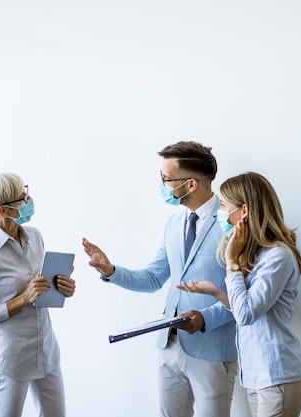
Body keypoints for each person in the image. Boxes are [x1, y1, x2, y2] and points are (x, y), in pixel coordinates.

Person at [82, 141, 238, 417]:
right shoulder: (174, 223)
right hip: (169, 345)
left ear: (191, 184)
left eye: (166, 179)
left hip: (212, 348)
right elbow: (154, 278)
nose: (163, 184)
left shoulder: (231, 222)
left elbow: (241, 293)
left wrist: (205, 318)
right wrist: (110, 270)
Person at [177, 171, 301, 417]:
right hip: (258, 376)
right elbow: (244, 308)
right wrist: (216, 292)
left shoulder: (277, 256)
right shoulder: (259, 255)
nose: (221, 214)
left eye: (224, 206)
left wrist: (231, 263)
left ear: (243, 210)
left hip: (276, 375)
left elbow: (246, 314)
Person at [0, 173, 76, 417]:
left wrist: (61, 288)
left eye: (26, 192)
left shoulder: (34, 236)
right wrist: (22, 299)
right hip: (10, 363)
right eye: (22, 197)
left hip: (46, 354)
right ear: (3, 211)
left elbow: (40, 292)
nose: (29, 199)